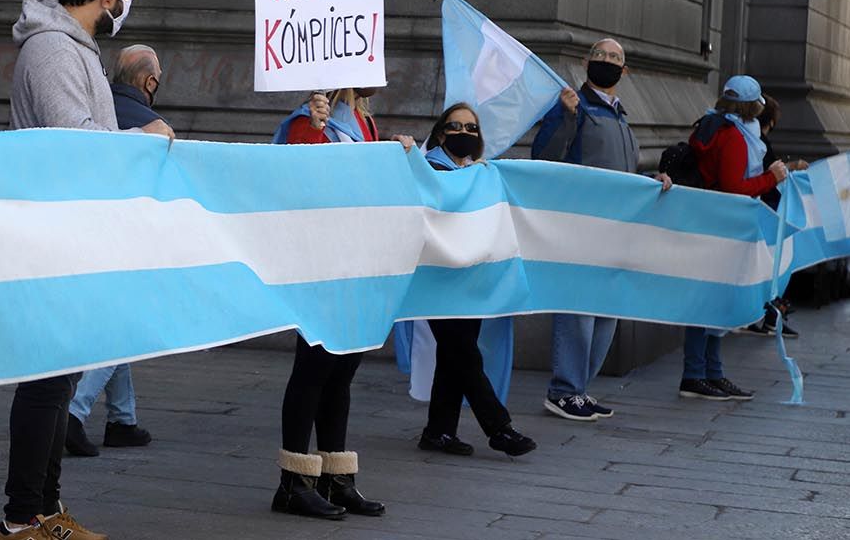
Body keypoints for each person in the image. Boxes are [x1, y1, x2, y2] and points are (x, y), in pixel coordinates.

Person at [2, 0, 169, 540]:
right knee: (46, 383)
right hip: (51, 236)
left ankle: (45, 512)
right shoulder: (52, 51)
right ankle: (22, 517)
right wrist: (142, 143)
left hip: (71, 234)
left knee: (59, 379)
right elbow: (78, 142)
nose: (130, 2)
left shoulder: (77, 49)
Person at [268, 88, 415, 520]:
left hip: (356, 264)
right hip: (322, 266)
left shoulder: (362, 122)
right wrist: (313, 130)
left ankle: (336, 477)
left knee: (340, 372)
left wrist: (396, 154)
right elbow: (300, 183)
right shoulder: (305, 122)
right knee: (313, 369)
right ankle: (293, 481)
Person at [531, 38, 671, 421]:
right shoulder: (571, 107)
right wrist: (568, 117)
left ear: (624, 72)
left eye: (615, 58)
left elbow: (622, 175)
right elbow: (544, 157)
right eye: (600, 56)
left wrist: (651, 180)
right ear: (585, 62)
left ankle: (580, 388)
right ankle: (563, 389)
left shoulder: (620, 116)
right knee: (578, 312)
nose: (607, 62)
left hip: (615, 234)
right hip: (582, 229)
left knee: (605, 314)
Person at [417, 103, 538, 459]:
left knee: (455, 354)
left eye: (472, 128)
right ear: (441, 133)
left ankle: (438, 431)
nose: (465, 133)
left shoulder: (477, 173)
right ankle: (499, 428)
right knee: (465, 354)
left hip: (470, 279)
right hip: (438, 281)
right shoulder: (429, 169)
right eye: (457, 126)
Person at [64, 44, 163, 457]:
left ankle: (123, 419)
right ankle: (72, 412)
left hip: (87, 227)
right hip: (124, 234)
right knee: (122, 325)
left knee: (120, 319)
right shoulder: (147, 119)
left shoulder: (97, 107)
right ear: (149, 82)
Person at [678, 75, 788, 401]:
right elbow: (734, 189)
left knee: (712, 303)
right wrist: (771, 178)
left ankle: (710, 372)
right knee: (710, 304)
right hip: (722, 227)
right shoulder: (734, 137)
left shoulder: (714, 127)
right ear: (754, 107)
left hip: (711, 223)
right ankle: (697, 374)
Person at [743, 96, 807, 337]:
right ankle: (769, 317)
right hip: (767, 210)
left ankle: (763, 316)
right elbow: (770, 173)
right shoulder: (760, 142)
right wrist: (793, 167)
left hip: (760, 208)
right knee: (773, 266)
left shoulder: (750, 140)